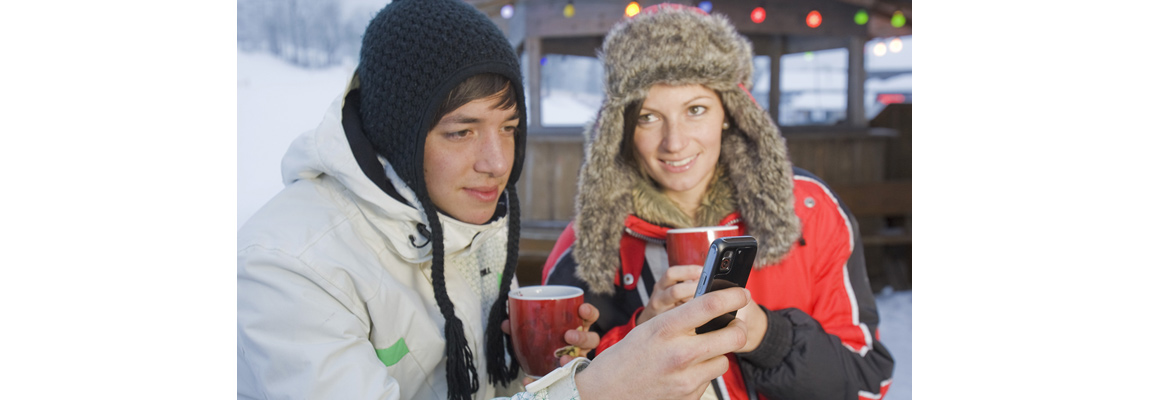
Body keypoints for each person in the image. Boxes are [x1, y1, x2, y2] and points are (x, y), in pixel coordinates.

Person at [238, 1, 753, 399]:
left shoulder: (476, 225)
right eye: (462, 132)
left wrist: (544, 369)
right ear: (397, 135)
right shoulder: (286, 265)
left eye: (508, 128)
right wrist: (596, 389)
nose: (496, 162)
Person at [542, 4, 896, 400]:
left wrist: (765, 334)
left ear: (729, 110)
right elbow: (551, 387)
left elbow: (867, 383)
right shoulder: (588, 243)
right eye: (648, 117)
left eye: (696, 110)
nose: (674, 142)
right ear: (621, 127)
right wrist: (645, 327)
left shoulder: (810, 211)